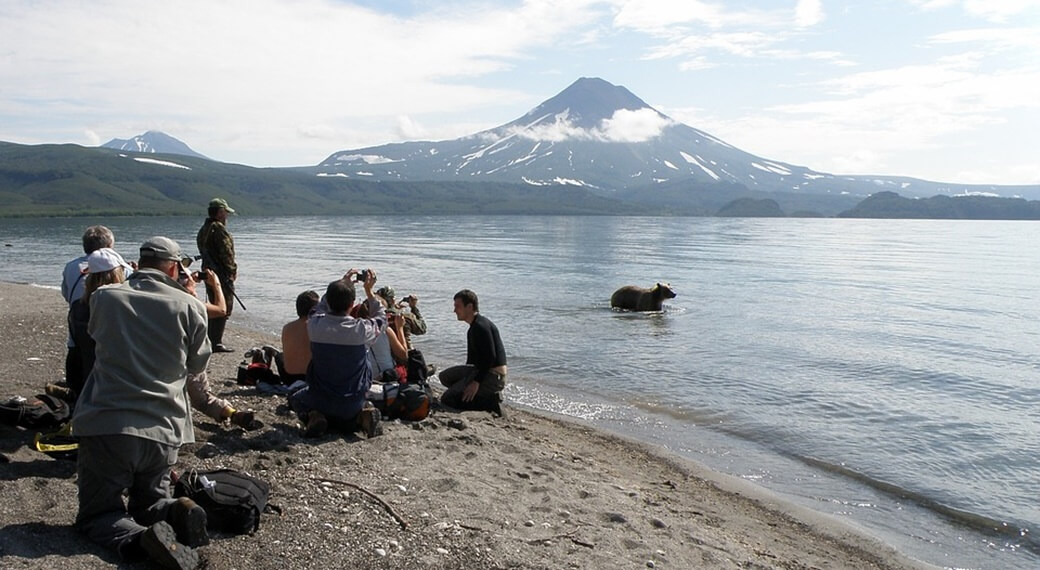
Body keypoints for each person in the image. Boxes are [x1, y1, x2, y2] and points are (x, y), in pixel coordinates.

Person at [71, 236, 212, 569]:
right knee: (149, 501)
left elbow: (93, 336)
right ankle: (176, 510)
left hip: (107, 422)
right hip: (164, 429)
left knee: (100, 514)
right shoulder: (190, 306)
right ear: (175, 268)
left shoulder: (104, 297)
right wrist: (188, 296)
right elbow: (197, 366)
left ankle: (140, 540)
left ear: (140, 263)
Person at [288, 269, 384, 439]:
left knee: (295, 397)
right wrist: (369, 292)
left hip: (321, 398)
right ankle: (361, 416)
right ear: (351, 305)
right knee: (363, 360)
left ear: (329, 302)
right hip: (354, 399)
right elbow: (382, 319)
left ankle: (314, 416)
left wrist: (341, 282)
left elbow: (317, 309)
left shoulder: (315, 325)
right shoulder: (361, 330)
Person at [179, 263, 260, 430]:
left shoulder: (161, 297)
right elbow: (221, 310)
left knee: (201, 396)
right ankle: (233, 414)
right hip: (187, 363)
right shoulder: (188, 302)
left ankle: (233, 414)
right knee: (203, 399)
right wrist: (216, 284)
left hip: (164, 361)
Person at [59, 225, 133, 392]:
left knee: (80, 383)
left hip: (78, 336)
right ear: (109, 247)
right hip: (112, 339)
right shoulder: (125, 270)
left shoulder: (71, 267)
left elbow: (66, 295)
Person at [439, 289, 507, 416]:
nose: (454, 311)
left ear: (469, 307)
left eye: (457, 307)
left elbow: (490, 358)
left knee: (447, 399)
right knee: (444, 377)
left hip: (493, 377)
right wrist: (465, 382)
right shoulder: (473, 328)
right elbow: (471, 361)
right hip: (481, 371)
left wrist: (475, 383)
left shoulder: (481, 326)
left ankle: (490, 403)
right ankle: (477, 395)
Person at [196, 197, 237, 353]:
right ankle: (216, 342)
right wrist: (232, 270)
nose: (226, 215)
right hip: (221, 273)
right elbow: (227, 253)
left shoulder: (204, 229)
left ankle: (210, 338)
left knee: (213, 302)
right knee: (224, 305)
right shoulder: (219, 229)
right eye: (225, 212)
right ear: (220, 212)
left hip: (208, 271)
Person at [276, 290, 319, 384]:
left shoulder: (287, 327)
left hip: (289, 378)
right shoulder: (317, 327)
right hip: (311, 377)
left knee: (279, 356)